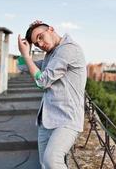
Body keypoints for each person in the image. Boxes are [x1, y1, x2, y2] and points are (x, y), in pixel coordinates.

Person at [17, 20, 87, 169]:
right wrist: (25, 52)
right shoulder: (52, 54)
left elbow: (42, 81)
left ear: (51, 29)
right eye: (36, 43)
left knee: (51, 160)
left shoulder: (68, 50)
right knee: (45, 165)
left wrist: (28, 57)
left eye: (41, 37)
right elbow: (23, 66)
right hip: (47, 119)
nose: (40, 44)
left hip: (66, 118)